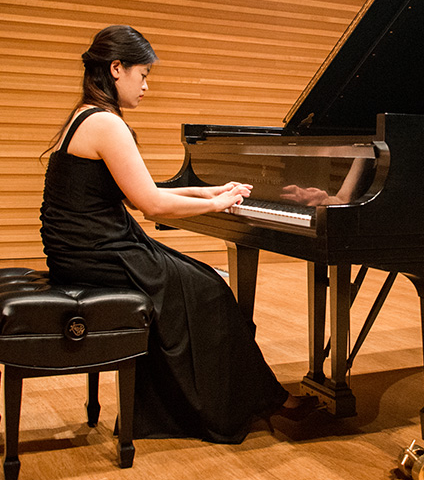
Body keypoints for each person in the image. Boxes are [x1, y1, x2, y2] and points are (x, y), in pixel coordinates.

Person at [40, 25, 317, 443]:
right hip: (99, 254)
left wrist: (210, 190)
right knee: (210, 289)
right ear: (117, 69)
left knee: (204, 279)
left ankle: (253, 396)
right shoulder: (106, 124)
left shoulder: (85, 115)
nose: (146, 85)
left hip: (85, 250)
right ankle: (244, 403)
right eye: (144, 74)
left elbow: (140, 191)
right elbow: (151, 205)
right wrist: (217, 205)